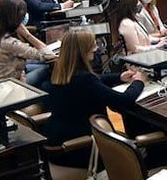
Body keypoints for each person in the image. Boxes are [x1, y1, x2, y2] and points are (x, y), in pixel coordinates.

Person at [44, 29, 147, 168]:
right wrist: (139, 81)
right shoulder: (85, 80)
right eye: (93, 45)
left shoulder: (60, 74)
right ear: (83, 51)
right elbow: (125, 100)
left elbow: (94, 81)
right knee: (143, 151)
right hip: (80, 148)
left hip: (59, 143)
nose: (96, 48)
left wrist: (119, 77)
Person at [0, 0, 55, 86]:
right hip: (8, 85)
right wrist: (27, 35)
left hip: (11, 75)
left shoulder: (1, 33)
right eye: (23, 14)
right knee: (49, 68)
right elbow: (48, 55)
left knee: (41, 64)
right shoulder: (11, 43)